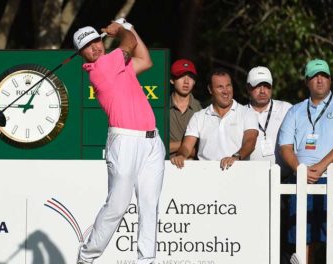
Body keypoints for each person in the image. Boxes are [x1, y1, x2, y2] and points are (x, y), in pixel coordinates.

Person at [74, 19, 165, 264]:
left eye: (96, 41)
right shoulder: (102, 68)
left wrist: (130, 26)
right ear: (82, 54)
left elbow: (146, 60)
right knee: (117, 206)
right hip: (124, 141)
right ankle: (86, 256)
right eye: (87, 46)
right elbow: (130, 43)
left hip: (152, 141)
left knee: (149, 204)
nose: (94, 48)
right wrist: (122, 30)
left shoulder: (118, 66)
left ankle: (146, 259)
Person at [278, 58, 333, 264]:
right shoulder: (295, 110)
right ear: (306, 81)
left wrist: (321, 167)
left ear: (330, 80)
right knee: (302, 236)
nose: (319, 80)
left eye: (324, 76)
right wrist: (300, 170)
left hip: (332, 178)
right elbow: (285, 147)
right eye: (314, 76)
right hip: (302, 180)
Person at [170, 68, 258, 170]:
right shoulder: (199, 116)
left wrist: (236, 157)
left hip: (238, 172)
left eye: (228, 86)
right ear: (210, 89)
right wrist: (182, 155)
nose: (226, 91)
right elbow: (186, 146)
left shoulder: (247, 113)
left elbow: (250, 141)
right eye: (220, 87)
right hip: (206, 174)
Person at [246, 66, 292, 174]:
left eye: (266, 86)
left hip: (284, 181)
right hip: (251, 179)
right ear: (248, 88)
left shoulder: (286, 109)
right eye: (257, 86)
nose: (262, 91)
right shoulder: (240, 113)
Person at [169, 59, 202, 157]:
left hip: (196, 167)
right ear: (172, 80)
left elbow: (205, 148)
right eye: (181, 76)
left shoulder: (202, 110)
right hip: (165, 165)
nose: (186, 81)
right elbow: (155, 145)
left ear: (194, 81)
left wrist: (173, 147)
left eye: (191, 77)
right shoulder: (161, 108)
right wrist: (187, 145)